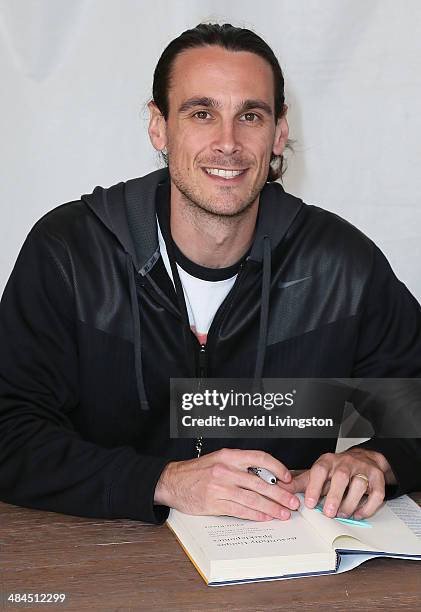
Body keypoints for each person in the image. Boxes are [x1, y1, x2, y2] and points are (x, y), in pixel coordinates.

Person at [0, 23, 420, 526]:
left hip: (284, 569)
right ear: (159, 126)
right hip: (103, 562)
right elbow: (9, 431)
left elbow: (414, 408)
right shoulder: (70, 254)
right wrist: (165, 481)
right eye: (202, 113)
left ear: (279, 132)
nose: (228, 143)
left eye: (251, 115)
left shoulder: (340, 266)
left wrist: (377, 460)